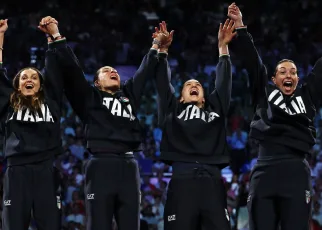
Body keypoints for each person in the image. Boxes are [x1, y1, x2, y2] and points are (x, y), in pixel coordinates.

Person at [40, 17, 169, 230]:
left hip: (129, 166)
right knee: (98, 224)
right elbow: (72, 70)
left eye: (115, 71)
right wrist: (56, 37)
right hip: (101, 164)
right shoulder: (88, 97)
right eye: (107, 71)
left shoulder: (128, 96)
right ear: (97, 82)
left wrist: (156, 45)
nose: (113, 72)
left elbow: (144, 73)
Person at [228, 3, 320, 230]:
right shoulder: (264, 92)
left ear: (298, 79)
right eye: (283, 71)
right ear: (273, 79)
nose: (289, 74)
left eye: (293, 72)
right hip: (265, 168)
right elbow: (252, 61)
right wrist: (241, 27)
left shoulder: (307, 96)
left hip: (296, 170)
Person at [154, 20, 235, 230]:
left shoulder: (215, 107)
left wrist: (223, 48)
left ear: (204, 97)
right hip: (182, 179)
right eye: (188, 85)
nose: (194, 86)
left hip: (212, 181)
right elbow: (163, 85)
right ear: (180, 97)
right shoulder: (173, 108)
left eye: (198, 85)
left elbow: (224, 83)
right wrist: (162, 52)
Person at [0, 17, 64, 230]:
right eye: (24, 77)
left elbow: (55, 70)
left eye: (35, 77)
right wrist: (0, 36)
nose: (29, 79)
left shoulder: (52, 102)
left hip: (46, 171)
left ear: (41, 85)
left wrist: (52, 37)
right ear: (17, 86)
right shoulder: (9, 103)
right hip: (16, 172)